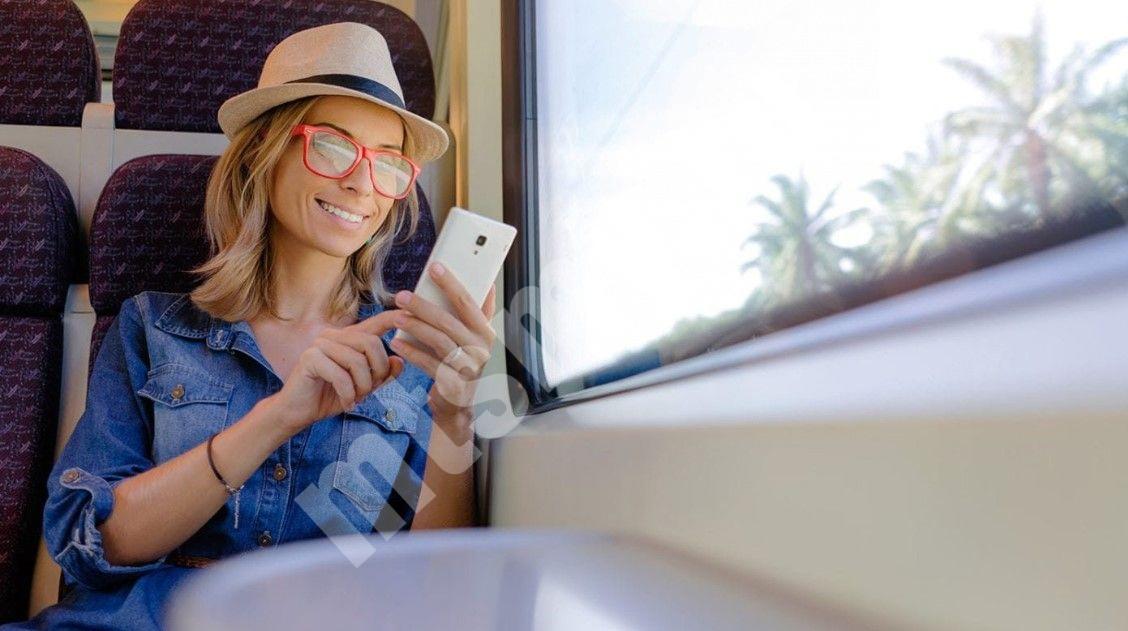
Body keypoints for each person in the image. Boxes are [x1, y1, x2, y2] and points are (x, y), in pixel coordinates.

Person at [4, 22, 494, 630]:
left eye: (388, 163)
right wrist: (277, 418)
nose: (360, 182)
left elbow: (437, 592)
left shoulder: (411, 352)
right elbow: (90, 544)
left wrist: (454, 413)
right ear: (265, 154)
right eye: (333, 147)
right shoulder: (153, 328)